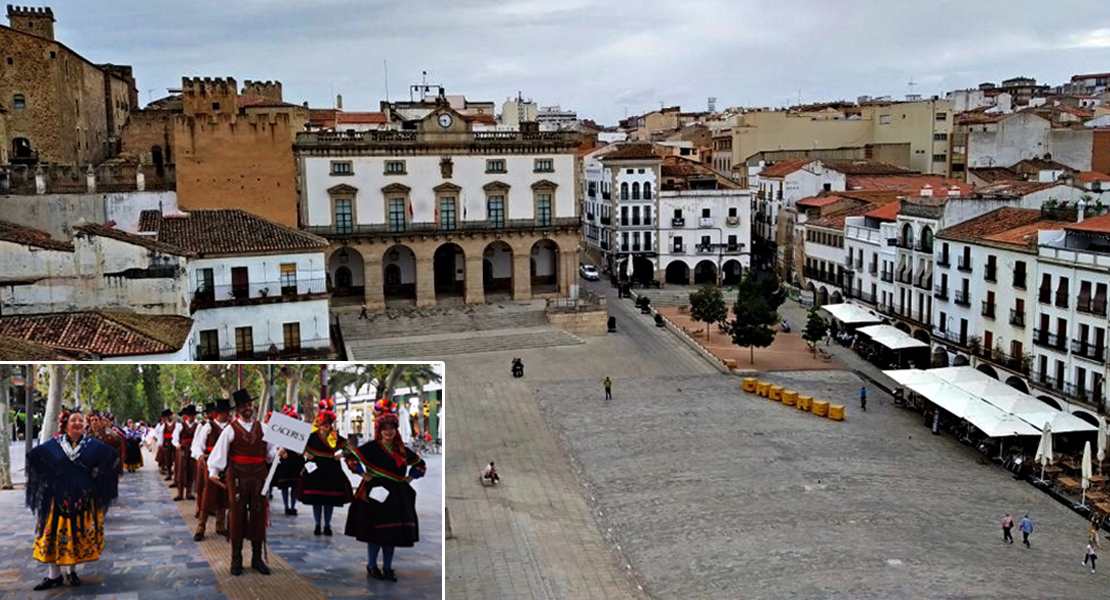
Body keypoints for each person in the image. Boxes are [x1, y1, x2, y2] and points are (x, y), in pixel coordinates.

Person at [25, 409, 120, 590]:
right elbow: (35, 457)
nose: (78, 423)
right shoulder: (54, 444)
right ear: (65, 424)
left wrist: (96, 473)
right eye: (73, 420)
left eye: (80, 420)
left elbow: (112, 457)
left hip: (83, 497)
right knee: (54, 533)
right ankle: (54, 575)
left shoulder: (91, 445)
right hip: (57, 497)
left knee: (76, 534)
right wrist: (49, 476)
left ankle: (72, 571)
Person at [345, 406, 427, 582]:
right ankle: (372, 565)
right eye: (384, 429)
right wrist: (363, 474)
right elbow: (350, 457)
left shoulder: (402, 450)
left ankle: (388, 567)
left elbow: (420, 464)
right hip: (374, 493)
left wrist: (409, 478)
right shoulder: (372, 447)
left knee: (392, 533)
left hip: (396, 495)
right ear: (379, 431)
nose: (388, 432)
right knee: (375, 533)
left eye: (391, 428)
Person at [208, 389, 278, 576]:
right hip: (236, 476)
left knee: (258, 513)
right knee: (237, 514)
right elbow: (219, 453)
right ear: (237, 409)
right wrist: (214, 471)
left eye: (249, 405)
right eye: (243, 406)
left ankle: (257, 559)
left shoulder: (265, 428)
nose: (248, 408)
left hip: (259, 477)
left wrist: (280, 453)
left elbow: (271, 455)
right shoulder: (230, 430)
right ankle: (236, 559)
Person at [296, 399, 353, 536]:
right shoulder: (311, 436)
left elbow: (349, 448)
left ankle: (327, 525)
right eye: (323, 425)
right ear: (319, 424)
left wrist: (341, 455)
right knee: (317, 500)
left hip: (332, 470)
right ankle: (317, 524)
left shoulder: (334, 437)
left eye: (328, 425)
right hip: (315, 469)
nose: (326, 427)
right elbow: (297, 446)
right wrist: (305, 453)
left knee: (330, 500)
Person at [193, 399, 231, 540]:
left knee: (224, 494)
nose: (227, 414)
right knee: (208, 495)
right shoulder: (208, 426)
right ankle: (201, 527)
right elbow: (197, 445)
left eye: (228, 412)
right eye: (224, 412)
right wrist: (200, 455)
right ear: (218, 413)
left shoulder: (231, 428)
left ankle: (220, 525)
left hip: (227, 465)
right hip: (210, 464)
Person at [273, 406, 306, 516]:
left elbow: (304, 444)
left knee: (295, 485)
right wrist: (282, 451)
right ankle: (286, 506)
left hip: (296, 459)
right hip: (286, 459)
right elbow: (276, 443)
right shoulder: (282, 429)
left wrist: (301, 450)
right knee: (285, 484)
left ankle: (293, 506)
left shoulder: (301, 431)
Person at [173, 405, 199, 501]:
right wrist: (177, 445)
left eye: (194, 415)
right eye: (191, 415)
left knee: (191, 470)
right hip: (183, 449)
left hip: (193, 449)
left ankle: (189, 492)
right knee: (181, 470)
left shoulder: (197, 426)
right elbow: (175, 438)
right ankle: (180, 493)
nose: (193, 417)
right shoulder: (180, 425)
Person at [89, 412, 125, 478]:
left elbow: (118, 444)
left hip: (104, 470)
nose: (94, 422)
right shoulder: (85, 435)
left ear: (100, 422)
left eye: (96, 420)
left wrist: (119, 467)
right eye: (92, 420)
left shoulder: (108, 436)